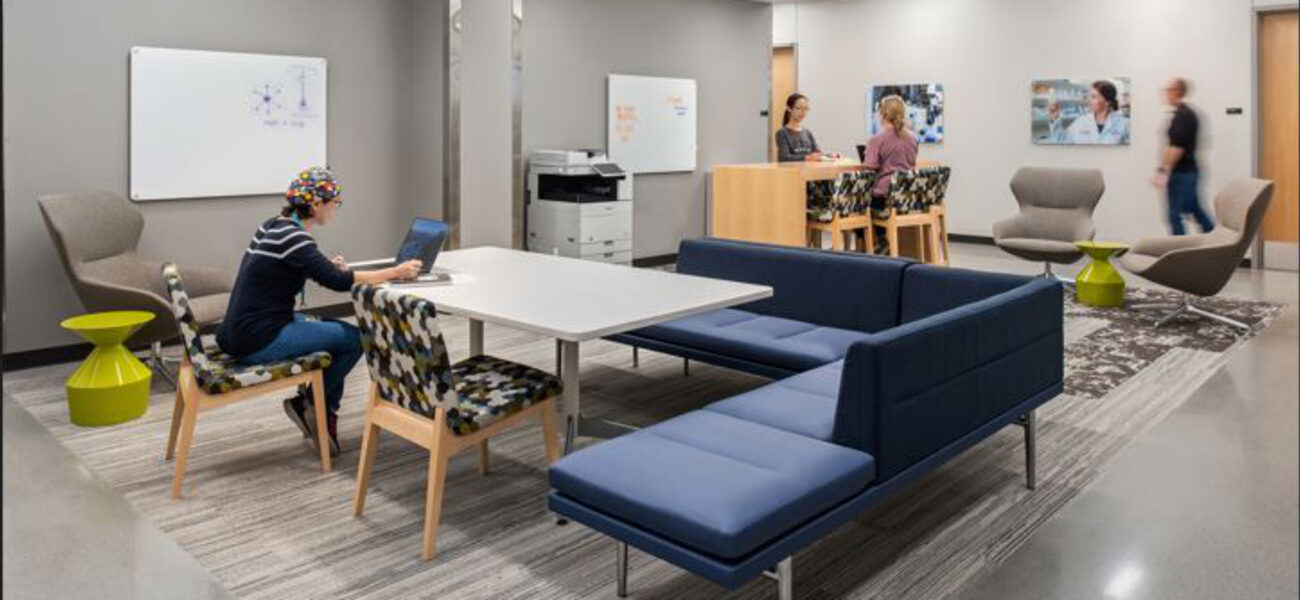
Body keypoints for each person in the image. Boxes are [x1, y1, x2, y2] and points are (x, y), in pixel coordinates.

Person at [216, 167, 421, 455]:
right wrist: (396, 272)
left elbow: (303, 268)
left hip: (237, 330)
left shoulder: (274, 225)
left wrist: (331, 267)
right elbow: (337, 282)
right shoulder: (296, 239)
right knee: (355, 338)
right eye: (334, 202)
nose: (335, 209)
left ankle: (316, 407)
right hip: (258, 338)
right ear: (315, 204)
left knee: (334, 330)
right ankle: (314, 404)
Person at [1151, 78, 1213, 235]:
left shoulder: (1184, 116)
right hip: (1184, 172)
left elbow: (1176, 148)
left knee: (1176, 216)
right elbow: (1172, 145)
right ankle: (1218, 244)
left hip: (1183, 174)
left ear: (1178, 92)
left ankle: (1180, 254)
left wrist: (1163, 171)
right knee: (1193, 211)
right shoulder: (1181, 114)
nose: (1165, 93)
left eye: (1168, 90)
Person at [863, 94, 919, 251]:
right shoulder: (913, 137)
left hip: (884, 198)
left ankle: (878, 242)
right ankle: (883, 242)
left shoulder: (877, 139)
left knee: (858, 208)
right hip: (906, 196)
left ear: (882, 113)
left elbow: (870, 167)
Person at [1047, 80, 1130, 144]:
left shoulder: (1123, 123)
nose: (1089, 100)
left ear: (1107, 101)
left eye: (1094, 97)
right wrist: (1055, 118)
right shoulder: (1081, 121)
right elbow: (1061, 141)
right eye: (1090, 96)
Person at [775, 93, 839, 162]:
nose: (803, 112)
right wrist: (807, 158)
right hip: (793, 172)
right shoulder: (782, 133)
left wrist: (830, 155)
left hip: (809, 172)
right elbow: (784, 158)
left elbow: (817, 154)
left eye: (805, 109)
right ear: (789, 108)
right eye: (799, 108)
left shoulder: (807, 132)